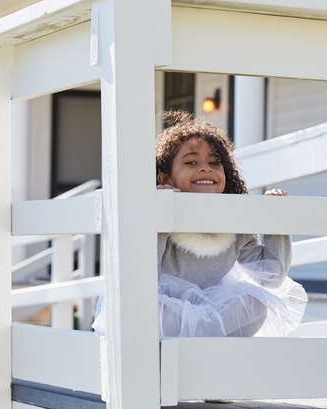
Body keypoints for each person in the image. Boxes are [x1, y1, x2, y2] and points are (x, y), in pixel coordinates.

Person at [92, 111, 307, 337]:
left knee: (255, 303)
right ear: (165, 178)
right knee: (140, 305)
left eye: (215, 162)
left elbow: (271, 276)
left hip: (210, 310)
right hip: (158, 312)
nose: (206, 168)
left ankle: (206, 354)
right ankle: (198, 349)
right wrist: (162, 210)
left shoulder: (235, 224)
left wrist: (276, 220)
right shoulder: (156, 210)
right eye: (191, 162)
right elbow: (141, 273)